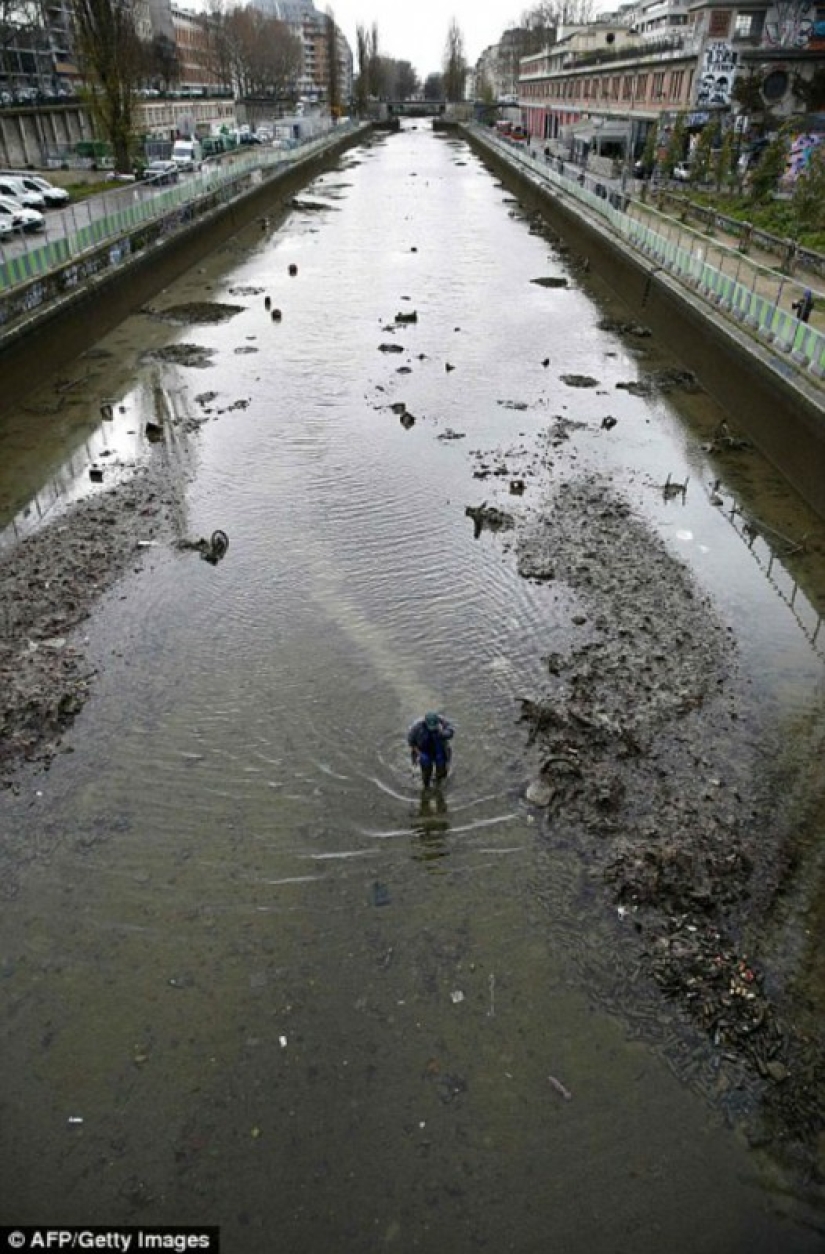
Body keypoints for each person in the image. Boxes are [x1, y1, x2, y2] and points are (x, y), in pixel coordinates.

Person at [407, 712, 454, 788]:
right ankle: (426, 785)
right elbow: (411, 742)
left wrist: (442, 733)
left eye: (434, 727)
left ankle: (439, 783)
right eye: (430, 727)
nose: (432, 729)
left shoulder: (442, 721)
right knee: (426, 770)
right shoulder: (416, 727)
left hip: (439, 748)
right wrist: (419, 753)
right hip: (424, 750)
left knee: (442, 770)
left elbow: (450, 733)